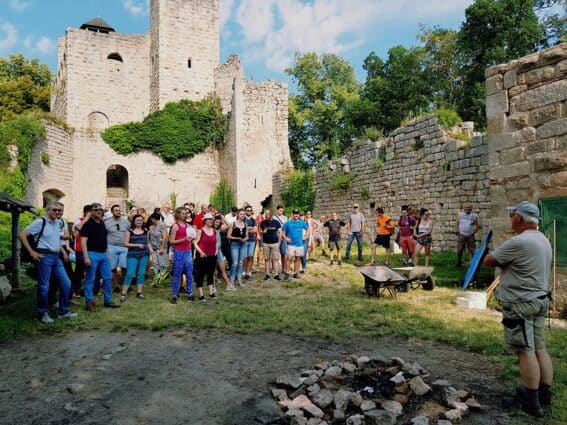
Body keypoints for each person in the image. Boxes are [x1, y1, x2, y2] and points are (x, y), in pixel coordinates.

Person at [484, 202, 553, 418]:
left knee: (525, 350)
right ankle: (544, 394)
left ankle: (530, 402)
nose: (510, 219)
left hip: (521, 303)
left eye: (512, 215)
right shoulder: (543, 239)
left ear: (519, 218)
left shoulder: (519, 242)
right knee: (539, 347)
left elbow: (489, 260)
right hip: (540, 300)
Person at [19, 201, 77, 323]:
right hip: (44, 256)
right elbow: (22, 235)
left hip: (56, 257)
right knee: (44, 286)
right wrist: (31, 252)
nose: (57, 212)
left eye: (59, 210)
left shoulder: (57, 223)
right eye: (54, 210)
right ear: (47, 210)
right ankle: (43, 313)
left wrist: (63, 247)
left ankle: (63, 311)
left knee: (66, 283)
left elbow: (56, 239)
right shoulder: (40, 222)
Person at [79, 203, 121, 311]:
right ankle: (89, 302)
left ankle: (108, 300)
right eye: (95, 209)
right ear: (91, 212)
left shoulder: (102, 223)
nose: (98, 211)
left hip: (103, 255)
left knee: (108, 277)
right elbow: (83, 241)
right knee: (90, 279)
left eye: (100, 209)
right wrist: (86, 257)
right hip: (92, 254)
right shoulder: (88, 224)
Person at [121, 214, 152, 302]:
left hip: (144, 254)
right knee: (130, 273)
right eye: (137, 220)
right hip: (132, 254)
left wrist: (151, 250)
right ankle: (123, 293)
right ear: (134, 221)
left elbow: (148, 242)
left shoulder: (146, 231)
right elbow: (125, 244)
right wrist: (137, 245)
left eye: (141, 220)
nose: (139, 222)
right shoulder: (129, 231)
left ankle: (139, 292)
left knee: (141, 273)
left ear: (143, 221)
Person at [169, 207, 196, 304]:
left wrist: (192, 237)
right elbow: (171, 241)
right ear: (178, 214)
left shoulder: (188, 225)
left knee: (189, 273)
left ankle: (190, 293)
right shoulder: (175, 226)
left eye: (186, 213)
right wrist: (184, 239)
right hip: (179, 252)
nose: (185, 215)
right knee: (177, 273)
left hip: (188, 251)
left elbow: (191, 238)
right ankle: (175, 294)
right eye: (183, 213)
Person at [104, 204, 130, 292]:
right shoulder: (106, 222)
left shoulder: (126, 222)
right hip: (111, 246)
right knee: (113, 267)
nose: (118, 212)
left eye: (119, 210)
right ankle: (116, 285)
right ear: (112, 212)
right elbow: (103, 234)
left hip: (124, 246)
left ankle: (126, 285)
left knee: (125, 266)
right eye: (116, 210)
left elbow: (129, 233)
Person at [193, 213, 218, 301]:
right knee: (201, 274)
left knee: (211, 273)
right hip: (202, 256)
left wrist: (216, 250)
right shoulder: (200, 231)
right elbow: (195, 243)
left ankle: (211, 293)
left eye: (212, 219)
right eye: (209, 219)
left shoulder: (214, 230)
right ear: (205, 221)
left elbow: (216, 241)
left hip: (212, 255)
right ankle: (201, 294)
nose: (211, 221)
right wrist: (201, 252)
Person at [282, 209, 309, 279]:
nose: (296, 215)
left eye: (297, 214)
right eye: (294, 214)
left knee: (298, 259)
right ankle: (287, 273)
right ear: (292, 214)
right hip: (291, 244)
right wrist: (285, 237)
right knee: (288, 258)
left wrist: (306, 235)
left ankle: (296, 273)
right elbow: (282, 230)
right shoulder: (288, 223)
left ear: (298, 215)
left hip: (299, 244)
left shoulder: (302, 222)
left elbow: (308, 229)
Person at [260, 209, 282, 281]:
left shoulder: (276, 222)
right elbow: (260, 231)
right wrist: (263, 231)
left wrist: (279, 242)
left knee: (275, 259)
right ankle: (267, 274)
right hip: (266, 243)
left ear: (270, 215)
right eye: (265, 215)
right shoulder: (263, 222)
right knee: (267, 259)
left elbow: (280, 232)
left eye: (267, 214)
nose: (265, 216)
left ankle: (276, 275)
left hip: (275, 243)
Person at [228, 208, 248, 288]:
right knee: (235, 263)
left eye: (243, 214)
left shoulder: (245, 224)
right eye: (241, 214)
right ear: (237, 215)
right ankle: (231, 281)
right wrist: (237, 238)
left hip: (243, 245)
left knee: (240, 263)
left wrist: (245, 239)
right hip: (234, 245)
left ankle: (239, 280)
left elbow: (247, 236)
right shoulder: (233, 224)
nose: (242, 215)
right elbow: (228, 236)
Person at [213, 217, 234, 290]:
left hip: (218, 251)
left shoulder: (219, 230)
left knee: (223, 269)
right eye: (216, 222)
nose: (217, 223)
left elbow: (230, 225)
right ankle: (213, 287)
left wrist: (223, 218)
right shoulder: (209, 230)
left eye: (218, 222)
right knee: (212, 270)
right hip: (211, 252)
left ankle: (229, 285)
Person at [273, 205, 288, 276]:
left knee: (283, 253)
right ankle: (274, 269)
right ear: (277, 210)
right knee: (275, 254)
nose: (281, 212)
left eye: (282, 210)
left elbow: (286, 227)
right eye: (280, 210)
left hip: (283, 237)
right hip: (275, 237)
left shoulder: (285, 218)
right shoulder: (273, 217)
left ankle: (283, 269)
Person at [243, 206, 257, 280]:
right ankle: (244, 272)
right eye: (247, 210)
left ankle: (248, 273)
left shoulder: (253, 220)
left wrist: (247, 229)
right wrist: (250, 228)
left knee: (250, 257)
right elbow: (241, 228)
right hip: (245, 241)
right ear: (245, 211)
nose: (249, 211)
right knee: (244, 257)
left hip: (252, 241)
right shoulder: (243, 219)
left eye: (250, 210)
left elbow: (255, 230)